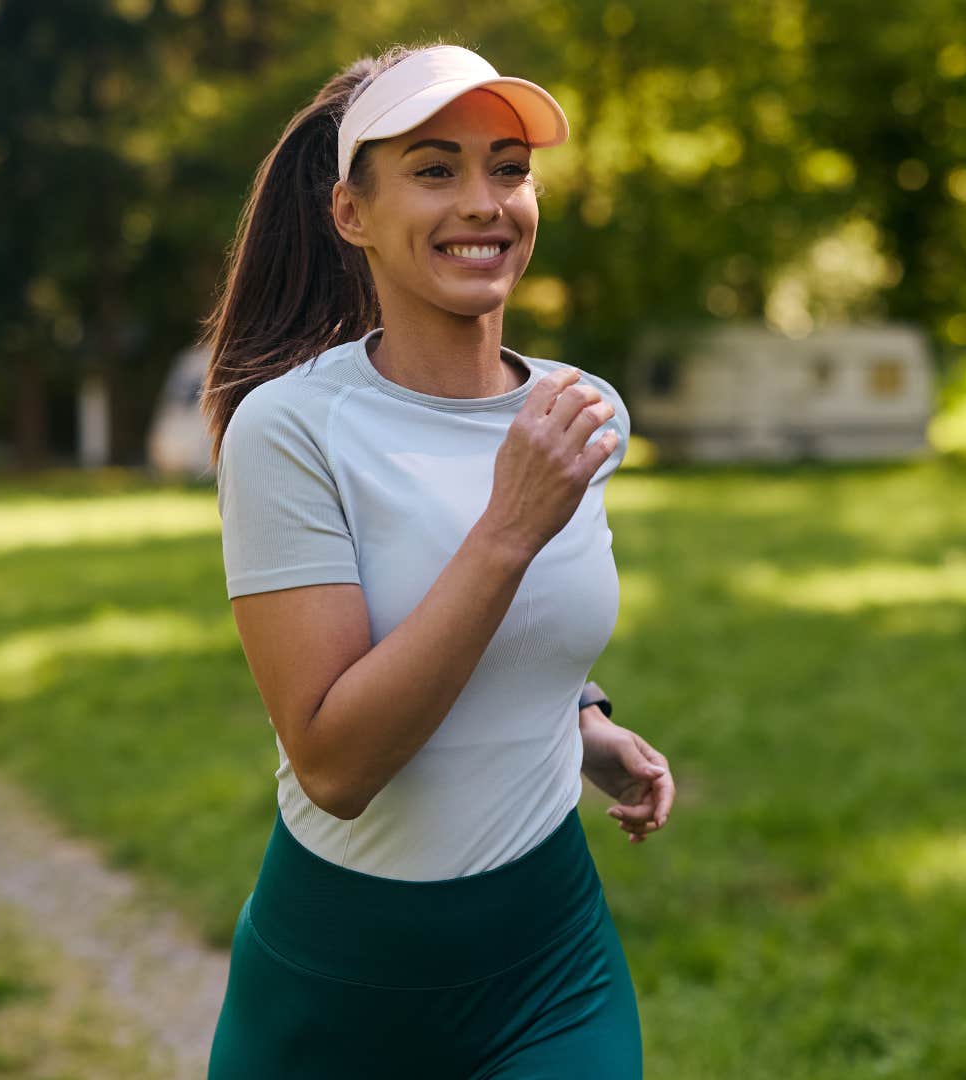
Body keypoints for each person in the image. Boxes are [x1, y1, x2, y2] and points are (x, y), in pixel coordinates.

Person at [198, 42, 676, 1078]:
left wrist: (579, 717)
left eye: (508, 168)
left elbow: (532, 618)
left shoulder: (580, 417)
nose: (483, 202)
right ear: (350, 213)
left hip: (549, 967)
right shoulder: (291, 432)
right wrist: (507, 527)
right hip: (335, 993)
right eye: (434, 169)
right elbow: (335, 764)